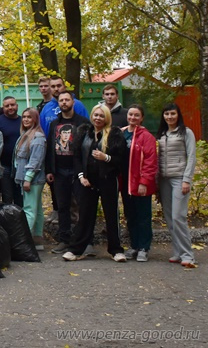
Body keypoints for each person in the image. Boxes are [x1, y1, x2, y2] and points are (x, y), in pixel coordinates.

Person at [63, 104, 126, 262]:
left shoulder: (114, 134)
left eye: (101, 116)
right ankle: (76, 249)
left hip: (107, 180)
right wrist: (81, 176)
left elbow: (122, 159)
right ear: (91, 116)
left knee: (111, 215)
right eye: (96, 115)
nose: (98, 118)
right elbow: (76, 156)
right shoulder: (84, 132)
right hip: (87, 181)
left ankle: (116, 250)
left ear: (107, 118)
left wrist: (106, 158)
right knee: (85, 215)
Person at [45, 89, 90, 253]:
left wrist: (87, 171)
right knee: (62, 206)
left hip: (78, 171)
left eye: (67, 100)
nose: (64, 103)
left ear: (73, 102)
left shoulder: (83, 122)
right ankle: (64, 239)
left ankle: (84, 240)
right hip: (59, 171)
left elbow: (88, 148)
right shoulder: (54, 124)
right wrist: (49, 169)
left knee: (82, 205)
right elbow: (49, 147)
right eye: (61, 100)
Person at [156, 103, 197, 268]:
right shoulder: (162, 134)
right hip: (164, 180)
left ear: (178, 115)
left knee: (178, 217)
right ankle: (178, 252)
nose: (169, 117)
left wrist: (187, 179)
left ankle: (188, 255)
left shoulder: (186, 132)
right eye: (166, 114)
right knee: (170, 218)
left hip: (179, 179)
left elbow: (192, 156)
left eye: (172, 114)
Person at [121, 105, 157, 263]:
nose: (133, 118)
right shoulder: (121, 133)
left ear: (142, 118)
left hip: (141, 184)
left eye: (137, 115)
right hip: (125, 183)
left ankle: (144, 247)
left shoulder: (146, 136)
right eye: (131, 114)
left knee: (143, 216)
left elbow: (150, 161)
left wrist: (144, 182)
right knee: (131, 216)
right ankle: (134, 245)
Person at [13, 109, 46, 249]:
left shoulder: (37, 137)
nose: (26, 119)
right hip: (26, 178)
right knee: (36, 209)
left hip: (33, 180)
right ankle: (36, 239)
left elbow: (35, 161)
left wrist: (28, 179)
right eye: (24, 117)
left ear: (35, 119)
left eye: (29, 117)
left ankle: (24, 242)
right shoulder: (25, 135)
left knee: (29, 210)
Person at [0, 96, 22, 205]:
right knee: (7, 197)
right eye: (7, 106)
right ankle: (9, 220)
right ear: (3, 108)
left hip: (20, 166)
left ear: (17, 106)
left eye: (12, 105)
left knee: (20, 197)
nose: (10, 107)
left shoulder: (23, 120)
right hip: (4, 166)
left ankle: (20, 220)